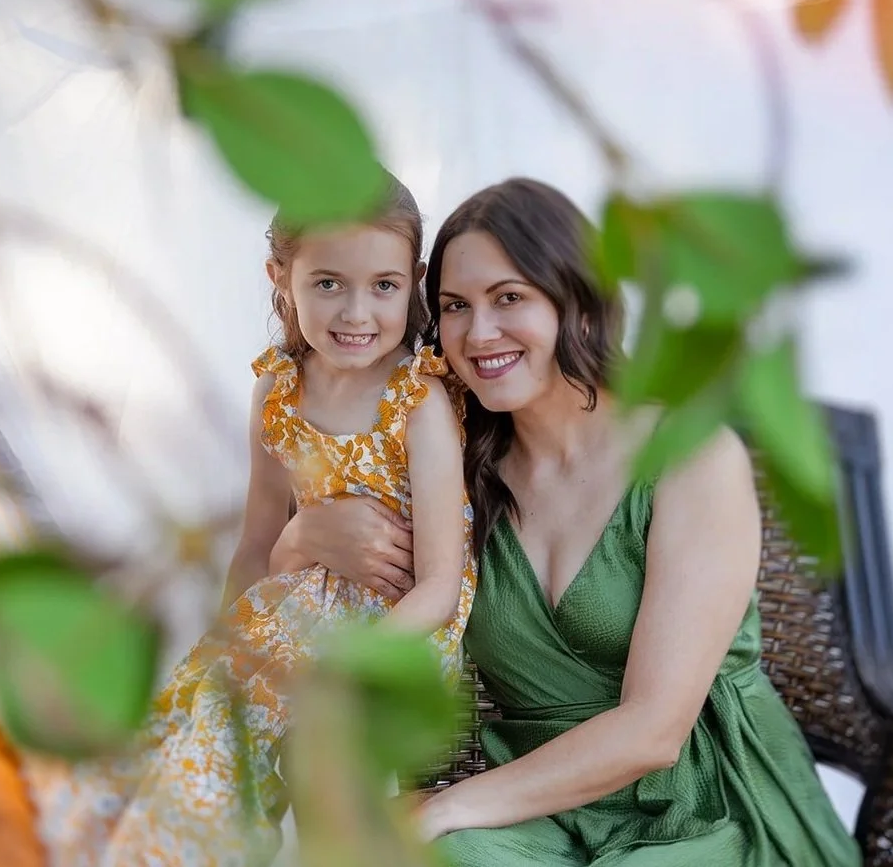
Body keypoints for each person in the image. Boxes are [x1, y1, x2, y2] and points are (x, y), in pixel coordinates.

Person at [270, 178, 862, 865]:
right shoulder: (451, 462)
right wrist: (302, 535)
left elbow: (654, 731)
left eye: (509, 297)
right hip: (535, 804)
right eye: (456, 306)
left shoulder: (690, 456)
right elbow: (311, 596)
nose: (478, 332)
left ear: (577, 298)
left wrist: (446, 806)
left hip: (707, 801)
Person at [36, 172, 477, 867]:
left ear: (413, 280)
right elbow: (259, 542)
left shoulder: (415, 401)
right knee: (195, 728)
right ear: (281, 275)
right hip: (296, 604)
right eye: (328, 283)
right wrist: (223, 650)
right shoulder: (277, 389)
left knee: (316, 738)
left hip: (395, 630)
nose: (357, 313)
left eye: (384, 286)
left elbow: (440, 586)